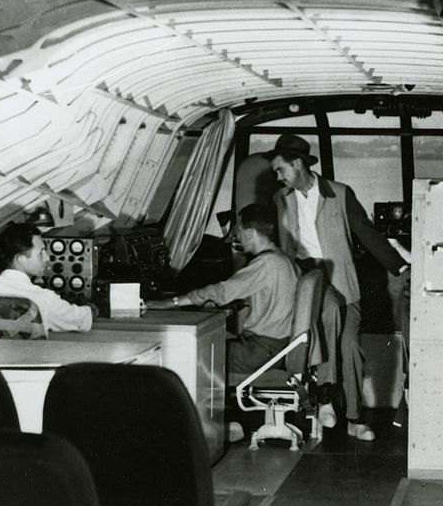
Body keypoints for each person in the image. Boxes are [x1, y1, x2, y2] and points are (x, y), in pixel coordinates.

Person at [264, 133, 407, 442]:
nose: (278, 177)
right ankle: (327, 397)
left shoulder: (340, 194)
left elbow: (366, 233)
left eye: (281, 170)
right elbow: (279, 243)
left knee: (350, 347)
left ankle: (354, 419)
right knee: (329, 312)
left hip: (341, 281)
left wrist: (399, 265)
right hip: (306, 278)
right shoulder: (281, 199)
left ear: (298, 164)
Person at [148, 203, 299, 384]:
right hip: (274, 347)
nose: (237, 237)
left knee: (187, 352)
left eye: (239, 232)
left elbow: (221, 291)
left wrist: (170, 303)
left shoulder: (266, 263)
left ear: (251, 233)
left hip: (260, 352)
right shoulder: (283, 259)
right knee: (203, 343)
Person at [0, 222, 98, 334]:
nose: (47, 258)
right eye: (41, 253)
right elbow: (81, 319)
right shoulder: (42, 299)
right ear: (20, 259)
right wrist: (92, 309)